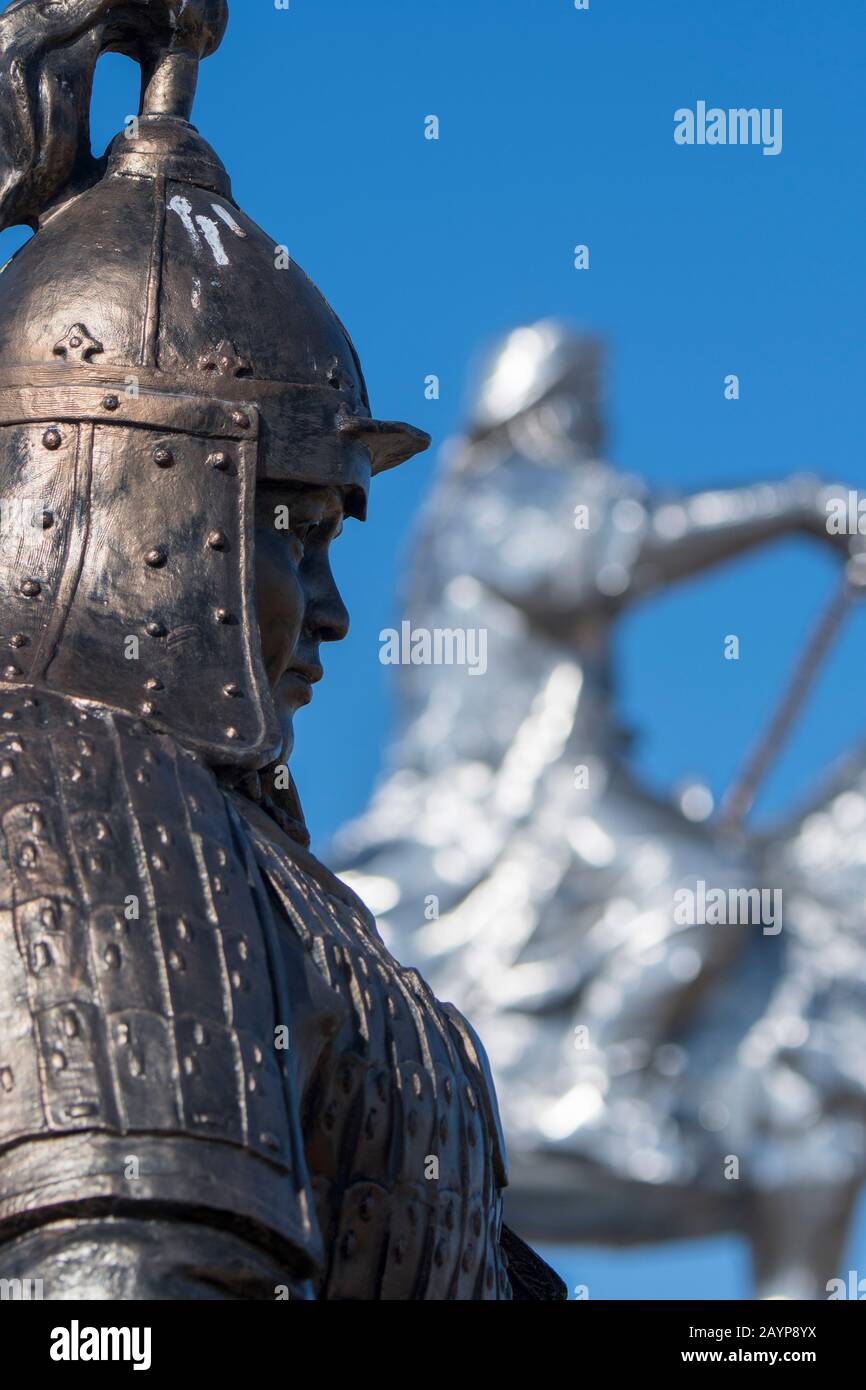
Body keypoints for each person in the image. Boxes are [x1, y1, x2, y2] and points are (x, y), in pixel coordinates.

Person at [0, 0, 563, 1300]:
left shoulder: (279, 884)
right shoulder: (84, 799)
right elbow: (109, 1311)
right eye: (291, 530)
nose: (330, 610)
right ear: (141, 493)